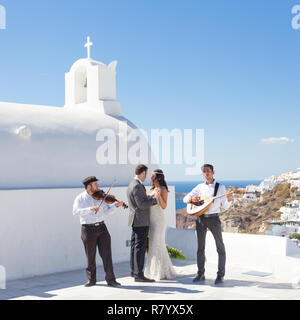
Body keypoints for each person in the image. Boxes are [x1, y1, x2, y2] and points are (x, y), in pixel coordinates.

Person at [183, 164, 232, 285]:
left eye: (208, 171)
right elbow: (185, 198)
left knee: (220, 248)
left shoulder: (220, 187)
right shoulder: (199, 187)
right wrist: (191, 199)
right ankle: (200, 274)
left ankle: (220, 276)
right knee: (200, 248)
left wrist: (229, 199)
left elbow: (225, 206)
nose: (206, 173)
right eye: (204, 172)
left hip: (214, 219)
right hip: (201, 219)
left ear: (213, 172)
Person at [73, 176, 124, 287]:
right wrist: (89, 209)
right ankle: (91, 280)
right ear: (88, 186)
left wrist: (115, 206)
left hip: (102, 228)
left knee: (107, 255)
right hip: (88, 229)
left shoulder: (101, 196)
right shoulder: (80, 198)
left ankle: (111, 280)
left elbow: (107, 211)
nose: (98, 186)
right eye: (95, 184)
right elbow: (75, 212)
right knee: (90, 256)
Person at [127, 164, 158, 282]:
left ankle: (133, 271)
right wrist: (154, 199)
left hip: (135, 219)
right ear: (143, 172)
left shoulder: (131, 184)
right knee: (139, 247)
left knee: (134, 247)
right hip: (141, 220)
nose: (146, 176)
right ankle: (139, 274)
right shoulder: (137, 186)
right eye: (146, 173)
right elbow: (142, 204)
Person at [144, 169, 177, 281]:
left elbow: (164, 206)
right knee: (153, 245)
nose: (150, 178)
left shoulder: (163, 190)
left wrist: (158, 196)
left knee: (157, 244)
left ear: (158, 178)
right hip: (151, 221)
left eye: (152, 176)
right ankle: (153, 270)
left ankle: (160, 272)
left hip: (158, 221)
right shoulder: (151, 189)